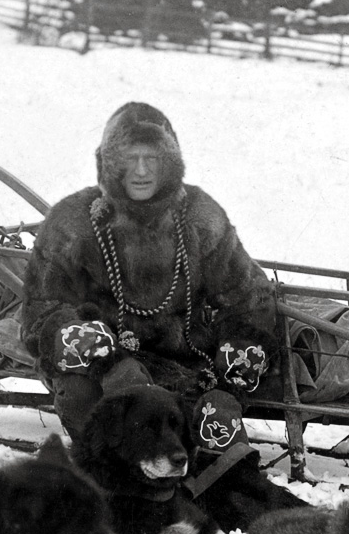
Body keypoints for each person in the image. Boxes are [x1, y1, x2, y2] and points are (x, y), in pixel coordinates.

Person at [20, 102, 282, 460]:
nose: (141, 171)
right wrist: (109, 362)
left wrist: (229, 385)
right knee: (106, 430)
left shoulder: (201, 216)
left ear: (169, 164)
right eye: (129, 158)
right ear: (110, 164)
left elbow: (250, 299)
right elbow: (45, 310)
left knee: (207, 456)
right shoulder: (74, 221)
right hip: (100, 372)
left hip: (185, 366)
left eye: (153, 159)